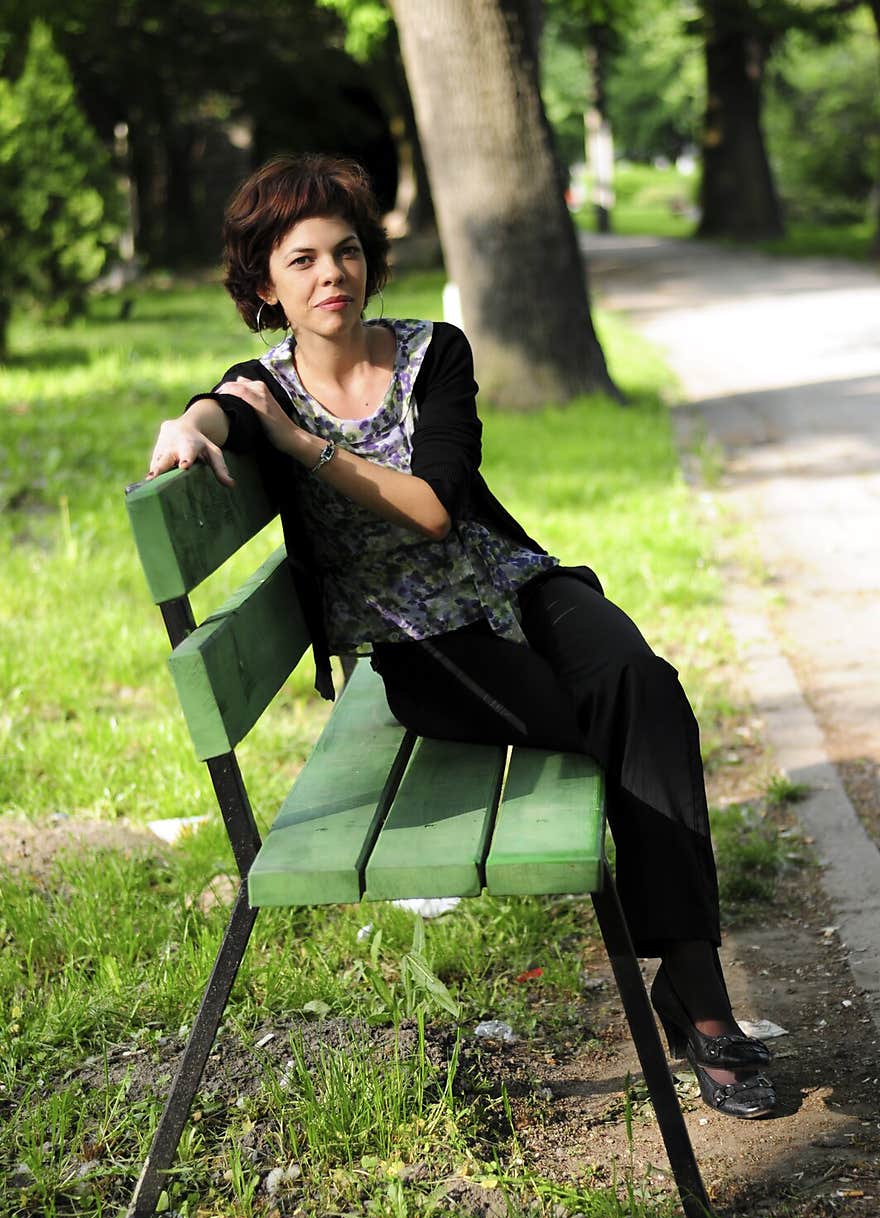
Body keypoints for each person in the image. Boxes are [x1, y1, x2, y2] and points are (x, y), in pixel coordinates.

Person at [146, 152, 776, 1120]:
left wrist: (307, 448)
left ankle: (692, 986)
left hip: (517, 585)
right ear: (264, 284)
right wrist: (188, 426)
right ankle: (701, 1003)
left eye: (346, 251)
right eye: (303, 259)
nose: (331, 275)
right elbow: (223, 408)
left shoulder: (432, 352)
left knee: (642, 688)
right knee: (619, 724)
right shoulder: (261, 388)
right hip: (422, 647)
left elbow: (438, 506)